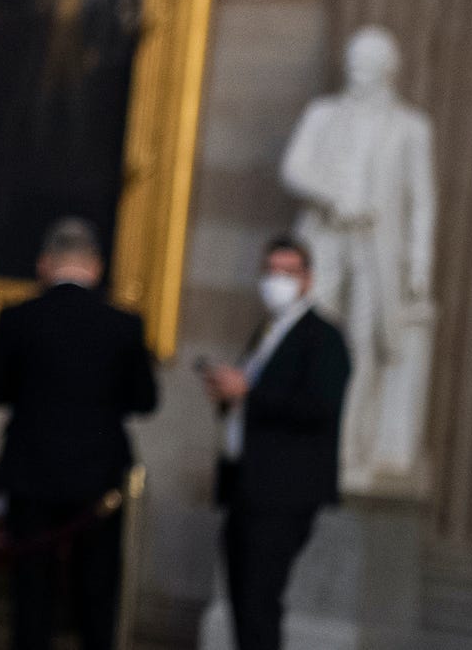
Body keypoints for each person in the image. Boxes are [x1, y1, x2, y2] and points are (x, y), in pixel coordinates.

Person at [0, 218, 159, 650]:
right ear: (95, 267)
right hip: (98, 480)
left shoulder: (18, 318)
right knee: (96, 596)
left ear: (45, 264)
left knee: (31, 597)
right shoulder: (123, 324)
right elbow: (145, 400)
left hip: (31, 473)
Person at [280, 25, 435, 493]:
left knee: (363, 347)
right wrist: (333, 195)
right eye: (353, 67)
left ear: (387, 72)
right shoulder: (323, 114)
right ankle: (302, 445)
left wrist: (418, 265)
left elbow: (421, 201)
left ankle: (348, 449)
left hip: (376, 249)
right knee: (306, 337)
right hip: (325, 240)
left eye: (366, 68)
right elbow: (294, 168)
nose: (357, 76)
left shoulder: (411, 128)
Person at [201, 237, 352, 650]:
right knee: (243, 601)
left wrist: (247, 391)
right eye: (271, 271)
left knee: (259, 602)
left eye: (288, 273)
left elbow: (319, 407)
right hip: (246, 487)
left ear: (308, 279)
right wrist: (230, 395)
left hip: (282, 492)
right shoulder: (266, 331)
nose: (276, 281)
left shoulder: (323, 337)